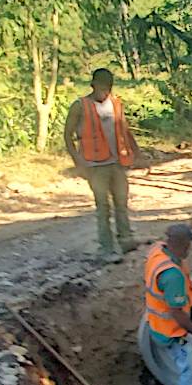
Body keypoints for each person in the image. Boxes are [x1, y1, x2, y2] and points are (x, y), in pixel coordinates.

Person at [64, 68, 142, 262]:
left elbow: (125, 130)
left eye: (108, 88)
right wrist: (78, 162)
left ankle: (126, 240)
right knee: (103, 206)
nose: (105, 92)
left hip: (117, 162)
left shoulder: (116, 104)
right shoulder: (80, 106)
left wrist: (137, 153)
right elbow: (68, 136)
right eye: (101, 88)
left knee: (121, 203)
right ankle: (106, 248)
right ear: (93, 85)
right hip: (94, 165)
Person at [144, 223, 192, 385]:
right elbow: (176, 312)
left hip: (156, 322)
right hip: (171, 330)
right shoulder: (172, 275)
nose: (189, 249)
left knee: (187, 361)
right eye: (188, 244)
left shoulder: (158, 252)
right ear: (182, 244)